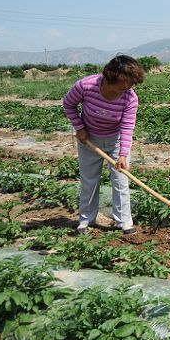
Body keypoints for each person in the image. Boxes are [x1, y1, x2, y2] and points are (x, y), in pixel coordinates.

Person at [62, 55, 146, 235]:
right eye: (121, 87)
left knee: (120, 179)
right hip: (89, 140)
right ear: (109, 79)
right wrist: (79, 127)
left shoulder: (130, 97)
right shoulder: (86, 86)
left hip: (115, 141)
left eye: (131, 85)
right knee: (89, 180)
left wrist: (123, 154)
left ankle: (124, 222)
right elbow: (68, 104)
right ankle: (85, 221)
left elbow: (127, 126)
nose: (126, 90)